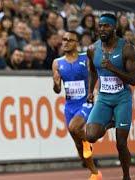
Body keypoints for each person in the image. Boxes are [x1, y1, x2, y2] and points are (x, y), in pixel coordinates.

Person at [86, 13, 135, 180]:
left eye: (106, 26)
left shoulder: (126, 48)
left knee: (121, 144)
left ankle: (126, 176)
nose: (102, 29)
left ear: (114, 28)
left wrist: (112, 68)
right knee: (90, 136)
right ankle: (111, 123)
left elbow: (134, 80)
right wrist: (90, 91)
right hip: (103, 97)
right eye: (100, 25)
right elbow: (93, 72)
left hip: (122, 98)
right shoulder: (92, 49)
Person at [52, 31, 102, 180]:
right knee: (79, 148)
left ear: (76, 43)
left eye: (69, 40)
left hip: (86, 102)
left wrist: (93, 92)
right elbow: (57, 90)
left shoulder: (85, 58)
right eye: (63, 40)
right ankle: (95, 173)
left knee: (74, 127)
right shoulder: (57, 63)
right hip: (70, 106)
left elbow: (95, 76)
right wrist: (55, 83)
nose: (65, 42)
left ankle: (88, 141)